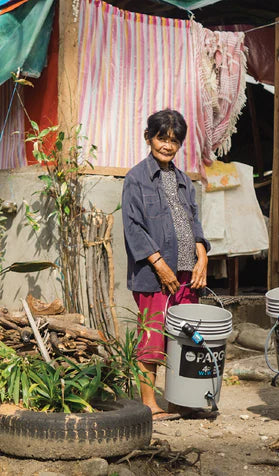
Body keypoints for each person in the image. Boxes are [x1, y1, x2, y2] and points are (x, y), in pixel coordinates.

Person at [122, 109, 210, 421]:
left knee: (183, 337)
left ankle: (179, 400)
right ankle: (150, 404)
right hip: (154, 276)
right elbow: (133, 227)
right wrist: (159, 264)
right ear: (149, 138)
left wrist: (202, 255)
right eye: (162, 138)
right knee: (153, 337)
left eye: (174, 140)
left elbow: (194, 221)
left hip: (187, 274)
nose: (167, 145)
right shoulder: (136, 179)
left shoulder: (185, 181)